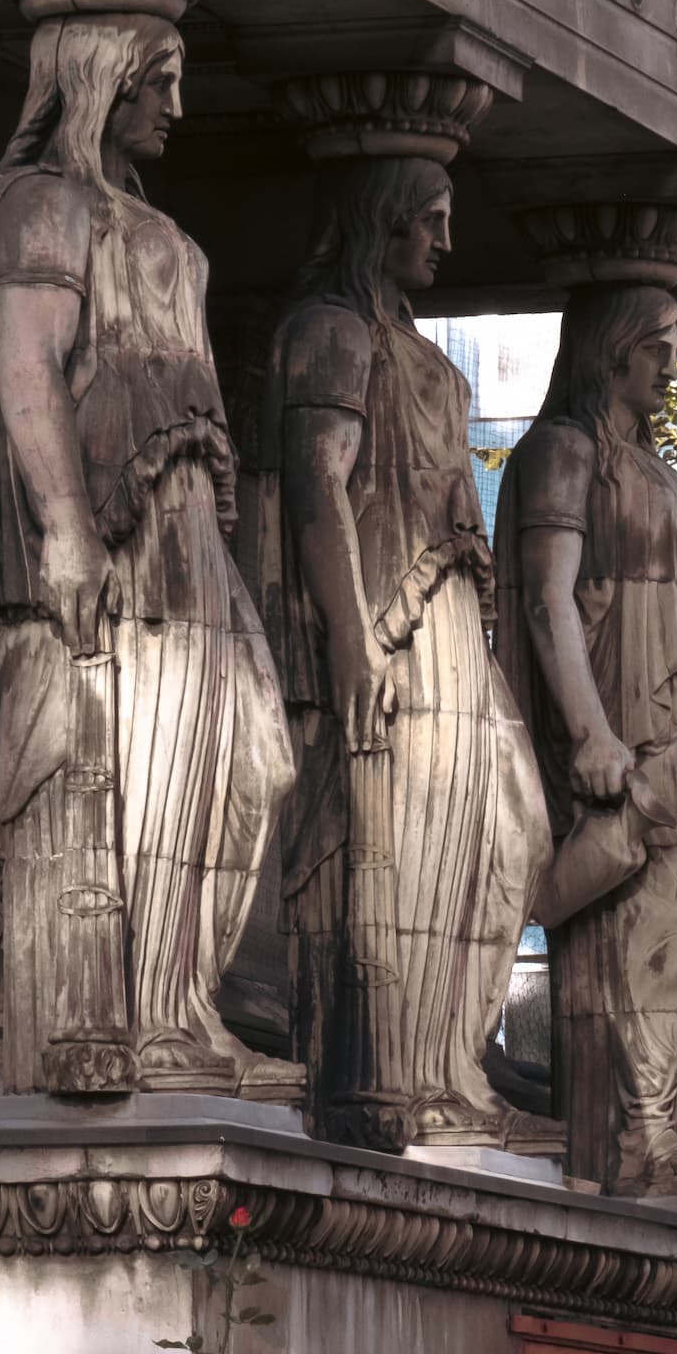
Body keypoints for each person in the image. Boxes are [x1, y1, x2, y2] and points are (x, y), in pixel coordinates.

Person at [0, 12, 298, 1098]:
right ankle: (154, 1018)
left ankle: (182, 1002)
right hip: (124, 527)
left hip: (189, 520)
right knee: (156, 765)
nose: (176, 107)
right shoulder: (45, 205)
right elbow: (26, 368)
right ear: (103, 82)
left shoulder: (132, 212)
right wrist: (61, 528)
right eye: (159, 83)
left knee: (254, 753)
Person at [259, 156, 558, 1155]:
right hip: (384, 619)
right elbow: (315, 489)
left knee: (510, 827)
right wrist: (348, 643)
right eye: (426, 222)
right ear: (379, 224)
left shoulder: (424, 356)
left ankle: (450, 1058)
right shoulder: (330, 333)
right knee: (406, 840)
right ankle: (408, 1075)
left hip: (447, 615)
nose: (443, 241)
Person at [494, 285, 677, 1200]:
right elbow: (545, 594)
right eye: (660, 342)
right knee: (672, 895)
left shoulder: (655, 466)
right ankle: (643, 1131)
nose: (674, 359)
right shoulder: (564, 451)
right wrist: (589, 730)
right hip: (627, 697)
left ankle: (661, 1125)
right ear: (613, 348)